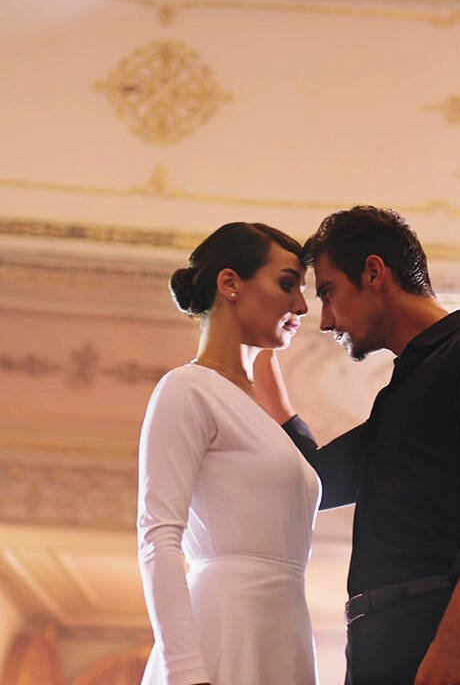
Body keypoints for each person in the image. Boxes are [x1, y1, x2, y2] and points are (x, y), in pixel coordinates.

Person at [254, 206, 460, 685]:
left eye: (328, 293)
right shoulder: (401, 396)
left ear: (374, 272)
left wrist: (456, 637)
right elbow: (314, 482)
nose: (326, 320)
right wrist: (261, 367)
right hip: (381, 641)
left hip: (445, 633)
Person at [137, 222, 319, 685]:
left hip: (285, 632)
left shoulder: (262, 412)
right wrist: (185, 672)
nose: (302, 306)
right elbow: (158, 535)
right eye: (287, 284)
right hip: (223, 628)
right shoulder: (187, 388)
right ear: (230, 283)